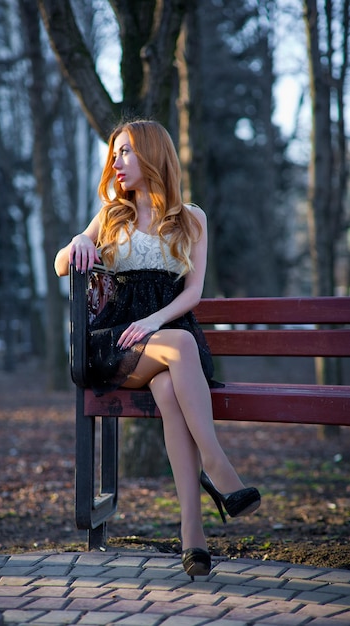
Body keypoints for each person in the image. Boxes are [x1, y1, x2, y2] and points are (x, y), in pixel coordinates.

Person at [55, 119, 261, 579]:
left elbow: (193, 293)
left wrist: (153, 321)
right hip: (119, 346)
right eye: (115, 154)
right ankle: (218, 466)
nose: (117, 162)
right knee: (180, 346)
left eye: (125, 151)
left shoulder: (192, 217)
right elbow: (60, 265)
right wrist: (79, 241)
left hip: (167, 339)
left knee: (170, 388)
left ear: (151, 154)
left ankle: (194, 535)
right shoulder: (111, 214)